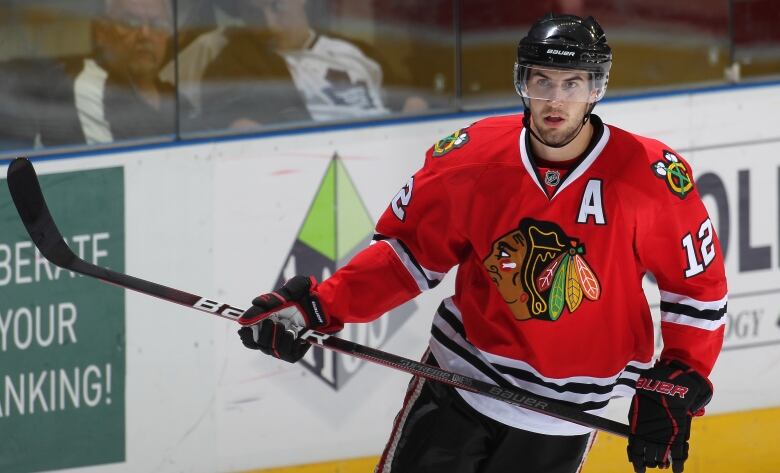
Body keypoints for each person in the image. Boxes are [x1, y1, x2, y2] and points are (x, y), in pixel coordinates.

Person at [237, 13, 727, 473]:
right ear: (523, 83)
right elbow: (406, 257)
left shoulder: (651, 176)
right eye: (542, 81)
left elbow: (697, 292)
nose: (555, 100)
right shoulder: (470, 158)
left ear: (596, 88)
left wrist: (680, 376)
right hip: (461, 380)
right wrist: (317, 308)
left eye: (572, 83)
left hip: (567, 410)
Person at [196, 0, 422, 132]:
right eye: (254, 14)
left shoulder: (355, 51)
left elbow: (411, 99)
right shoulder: (236, 60)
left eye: (276, 6)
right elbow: (226, 120)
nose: (269, 23)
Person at [0, 0, 179, 149]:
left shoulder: (172, 95)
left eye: (157, 24)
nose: (145, 34)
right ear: (102, 32)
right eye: (130, 22)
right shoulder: (86, 87)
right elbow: (113, 178)